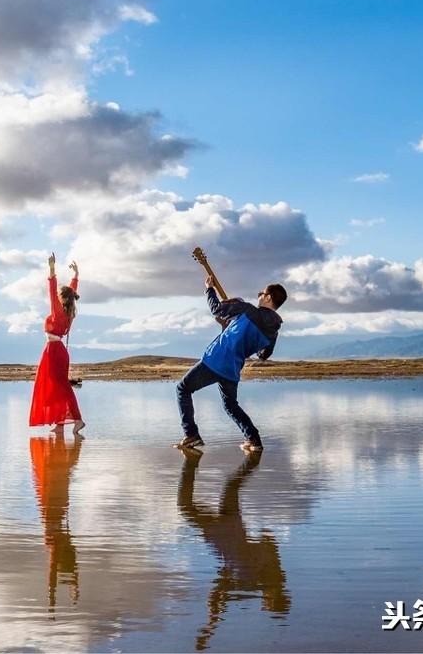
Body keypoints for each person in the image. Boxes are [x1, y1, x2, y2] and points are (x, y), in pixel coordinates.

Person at [178, 449, 290, 649]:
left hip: (223, 532)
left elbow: (219, 594)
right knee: (223, 489)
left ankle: (192, 460)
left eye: (268, 605)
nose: (265, 603)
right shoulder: (258, 577)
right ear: (275, 596)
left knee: (205, 497)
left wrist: (209, 627)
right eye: (270, 603)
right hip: (226, 529)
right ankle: (248, 458)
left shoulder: (253, 582)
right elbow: (267, 540)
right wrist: (210, 625)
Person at [174, 277, 287, 451]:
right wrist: (232, 330)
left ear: (269, 298)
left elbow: (216, 309)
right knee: (231, 405)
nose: (259, 295)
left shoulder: (248, 310)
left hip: (216, 360)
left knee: (182, 388)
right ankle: (254, 440)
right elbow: (263, 355)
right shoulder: (273, 331)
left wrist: (209, 289)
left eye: (261, 293)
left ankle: (191, 435)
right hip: (232, 368)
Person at [29, 253, 85, 435]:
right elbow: (71, 292)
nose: (57, 297)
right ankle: (60, 423)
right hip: (55, 350)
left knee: (60, 386)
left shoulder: (59, 311)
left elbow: (52, 290)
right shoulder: (68, 312)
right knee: (57, 386)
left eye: (59, 296)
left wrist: (52, 269)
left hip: (54, 351)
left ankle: (77, 420)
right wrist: (75, 276)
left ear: (61, 298)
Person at [30, 434, 83, 612]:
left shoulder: (56, 546)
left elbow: (55, 573)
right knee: (58, 469)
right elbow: (60, 573)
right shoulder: (57, 545)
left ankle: (57, 446)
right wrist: (69, 589)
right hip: (56, 503)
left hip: (55, 504)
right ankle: (57, 446)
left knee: (58, 469)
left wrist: (53, 597)